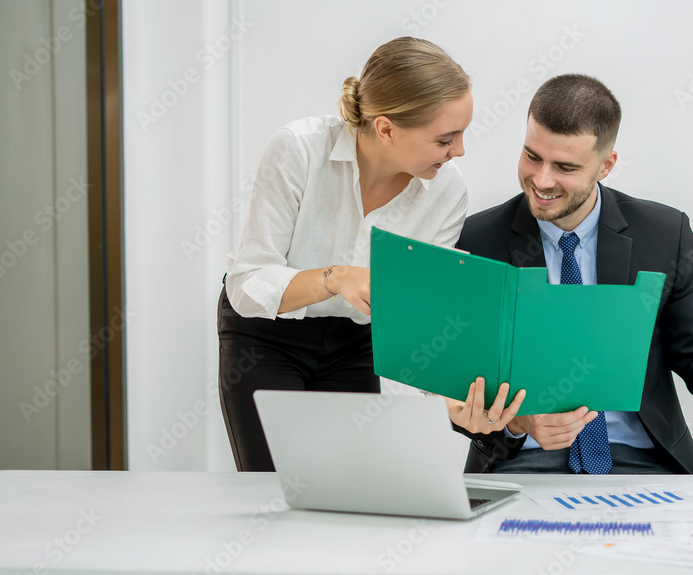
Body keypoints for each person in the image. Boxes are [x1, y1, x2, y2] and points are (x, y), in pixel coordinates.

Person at [218, 37, 522, 472]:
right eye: (445, 138)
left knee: (348, 487)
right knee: (273, 484)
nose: (459, 151)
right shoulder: (298, 150)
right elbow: (247, 284)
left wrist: (447, 400)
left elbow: (420, 316)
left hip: (355, 343)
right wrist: (335, 278)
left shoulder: (447, 190)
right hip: (267, 335)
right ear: (386, 129)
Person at [458, 74, 693, 475]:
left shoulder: (665, 233)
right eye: (532, 156)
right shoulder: (476, 240)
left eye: (565, 167)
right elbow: (458, 385)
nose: (542, 180)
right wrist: (517, 423)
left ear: (606, 166)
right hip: (520, 458)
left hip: (645, 460)